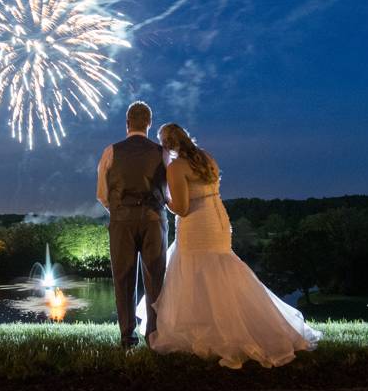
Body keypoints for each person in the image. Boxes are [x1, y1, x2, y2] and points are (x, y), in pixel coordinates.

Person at [138, 123, 322, 368]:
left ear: (167, 144)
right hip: (219, 221)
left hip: (196, 225)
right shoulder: (207, 158)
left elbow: (181, 208)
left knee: (196, 275)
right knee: (222, 271)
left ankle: (205, 331)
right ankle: (238, 325)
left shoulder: (176, 167)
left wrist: (162, 198)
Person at [96, 101, 168, 347]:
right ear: (149, 123)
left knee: (123, 278)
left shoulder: (111, 151)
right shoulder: (162, 152)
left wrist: (118, 210)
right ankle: (153, 336)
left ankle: (127, 336)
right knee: (155, 278)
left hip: (121, 221)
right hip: (154, 220)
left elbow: (101, 193)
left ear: (127, 123)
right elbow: (167, 193)